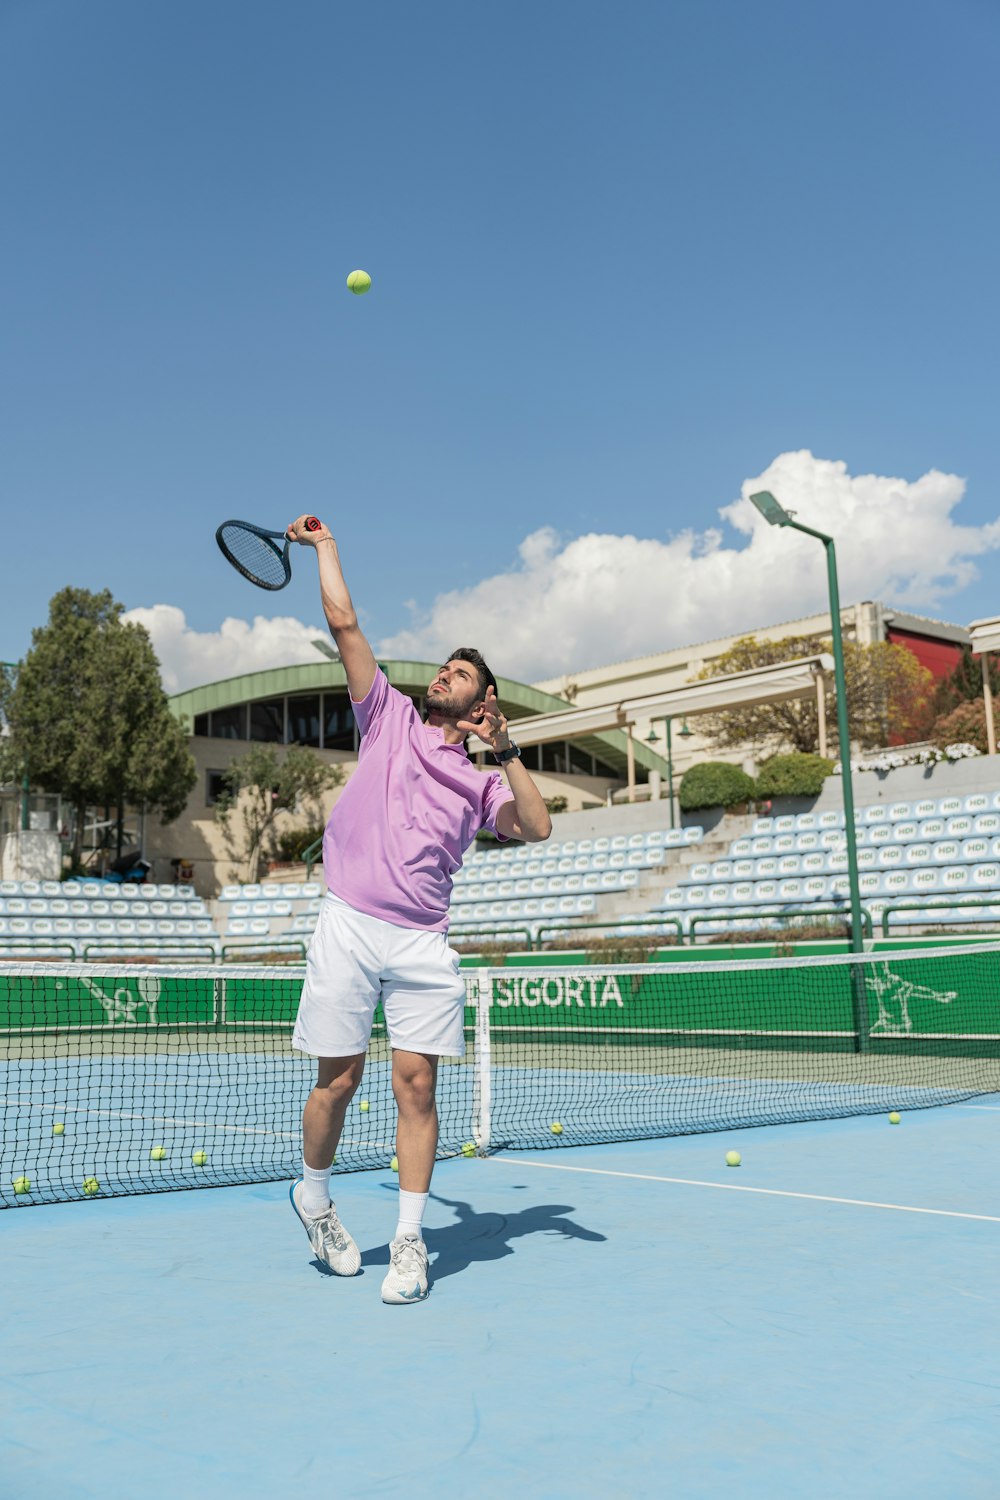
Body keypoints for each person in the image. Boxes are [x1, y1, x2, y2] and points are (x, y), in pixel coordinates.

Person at [285, 513, 552, 1304]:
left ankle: (409, 1243)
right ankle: (314, 1194)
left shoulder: (484, 779)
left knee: (417, 1087)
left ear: (485, 700)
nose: (442, 676)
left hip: (422, 940)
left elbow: (535, 826)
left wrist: (504, 750)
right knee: (338, 1082)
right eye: (440, 669)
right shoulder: (387, 717)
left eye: (459, 674)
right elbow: (343, 620)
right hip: (350, 920)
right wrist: (325, 547)